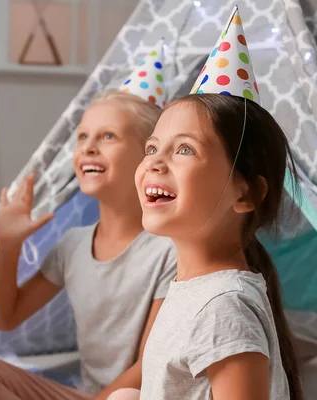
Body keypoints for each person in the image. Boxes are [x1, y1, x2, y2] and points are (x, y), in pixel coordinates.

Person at [0, 41, 177, 400]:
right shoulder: (72, 245)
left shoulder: (169, 250)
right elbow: (5, 318)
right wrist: (9, 246)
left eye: (108, 136)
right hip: (85, 396)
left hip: (136, 395)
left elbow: (149, 365)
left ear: (147, 156)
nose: (89, 147)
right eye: (82, 138)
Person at [115, 7, 303, 400]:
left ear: (245, 192)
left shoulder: (223, 308)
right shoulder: (193, 290)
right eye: (152, 148)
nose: (154, 161)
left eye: (184, 148)